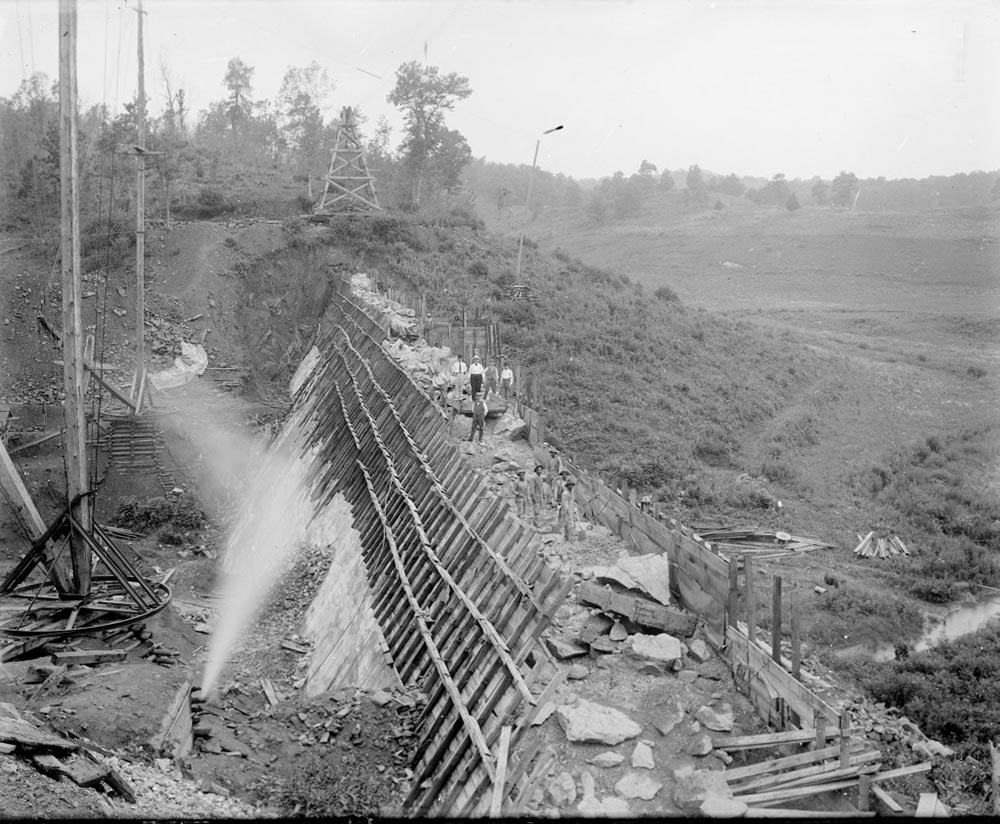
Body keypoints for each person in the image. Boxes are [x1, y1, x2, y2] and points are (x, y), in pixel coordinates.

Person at [559, 477, 579, 542]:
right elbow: (564, 504)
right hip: (566, 511)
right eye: (570, 485)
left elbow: (572, 501)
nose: (572, 486)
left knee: (569, 525)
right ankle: (570, 538)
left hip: (571, 510)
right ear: (567, 486)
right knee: (568, 525)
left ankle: (567, 538)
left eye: (572, 485)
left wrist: (574, 507)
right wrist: (567, 512)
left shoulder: (571, 492)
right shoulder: (565, 493)